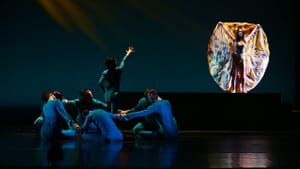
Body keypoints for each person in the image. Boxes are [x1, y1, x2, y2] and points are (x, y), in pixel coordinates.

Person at [217, 22, 261, 93]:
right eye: (239, 32)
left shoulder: (245, 41)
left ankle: (243, 89)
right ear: (237, 33)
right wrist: (222, 26)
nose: (240, 33)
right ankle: (233, 89)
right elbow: (228, 33)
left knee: (243, 75)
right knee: (234, 75)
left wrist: (256, 28)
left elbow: (251, 35)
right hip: (235, 59)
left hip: (242, 59)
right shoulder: (234, 40)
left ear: (242, 34)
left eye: (241, 32)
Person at [98, 46, 135, 114]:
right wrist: (128, 53)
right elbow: (123, 61)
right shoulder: (118, 70)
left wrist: (104, 90)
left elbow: (100, 83)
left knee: (110, 111)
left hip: (107, 94)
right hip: (115, 92)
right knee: (113, 113)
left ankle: (121, 113)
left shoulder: (105, 72)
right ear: (114, 63)